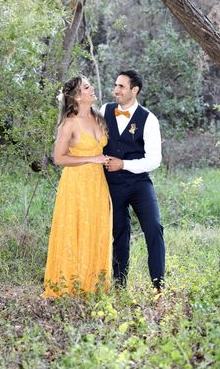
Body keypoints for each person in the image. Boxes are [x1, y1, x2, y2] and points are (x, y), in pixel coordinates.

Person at [43, 76, 112, 297]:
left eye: (90, 85)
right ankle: (69, 286)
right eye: (86, 86)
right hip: (75, 185)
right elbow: (59, 158)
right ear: (76, 96)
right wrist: (91, 159)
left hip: (98, 185)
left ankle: (93, 285)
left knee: (96, 229)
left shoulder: (99, 118)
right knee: (75, 230)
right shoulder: (69, 123)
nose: (92, 89)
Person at [101, 70, 165, 292]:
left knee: (154, 228)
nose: (115, 90)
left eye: (121, 86)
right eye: (115, 85)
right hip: (111, 185)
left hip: (139, 184)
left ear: (134, 90)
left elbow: (154, 160)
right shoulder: (105, 110)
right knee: (119, 233)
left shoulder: (149, 119)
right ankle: (120, 286)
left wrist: (124, 164)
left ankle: (158, 286)